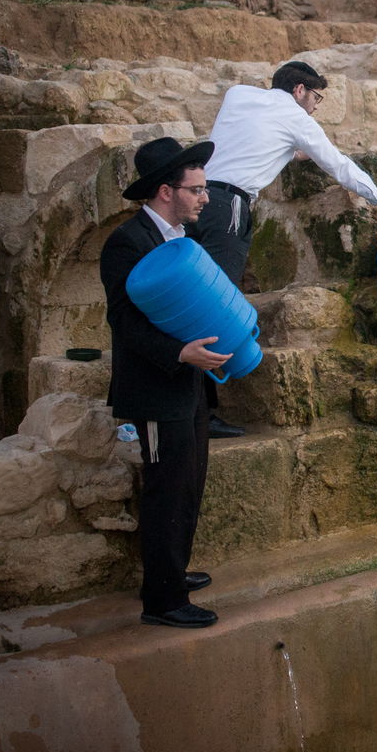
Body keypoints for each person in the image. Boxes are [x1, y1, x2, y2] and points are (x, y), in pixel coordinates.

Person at [190, 60, 377, 438]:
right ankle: (201, 415)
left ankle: (193, 409)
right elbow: (339, 165)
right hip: (231, 207)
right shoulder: (297, 118)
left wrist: (290, 150)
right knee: (215, 307)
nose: (317, 106)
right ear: (300, 90)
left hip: (197, 199)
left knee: (192, 299)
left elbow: (248, 140)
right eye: (316, 96)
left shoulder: (238, 95)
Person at [100, 136, 231, 629]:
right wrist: (180, 353)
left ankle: (171, 572)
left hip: (188, 384)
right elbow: (124, 323)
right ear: (164, 192)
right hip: (155, 386)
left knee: (189, 483)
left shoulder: (182, 239)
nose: (205, 198)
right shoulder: (127, 242)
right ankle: (162, 600)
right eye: (196, 189)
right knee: (166, 490)